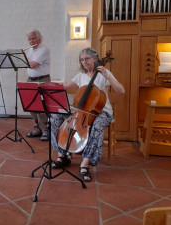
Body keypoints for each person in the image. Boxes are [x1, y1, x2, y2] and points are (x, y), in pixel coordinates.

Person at [50, 47, 125, 182]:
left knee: (97, 126)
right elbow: (67, 87)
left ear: (95, 59)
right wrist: (54, 85)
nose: (84, 62)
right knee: (54, 118)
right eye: (82, 60)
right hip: (81, 112)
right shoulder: (80, 76)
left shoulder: (104, 73)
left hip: (102, 112)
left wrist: (107, 77)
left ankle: (85, 164)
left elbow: (121, 91)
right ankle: (62, 155)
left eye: (87, 59)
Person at [25, 29, 51, 141]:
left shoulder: (44, 49)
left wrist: (27, 62)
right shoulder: (30, 50)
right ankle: (37, 129)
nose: (31, 41)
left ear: (39, 39)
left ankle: (45, 130)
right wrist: (26, 62)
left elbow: (33, 65)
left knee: (42, 106)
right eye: (29, 39)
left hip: (42, 79)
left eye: (33, 38)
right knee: (31, 104)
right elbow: (25, 63)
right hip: (30, 79)